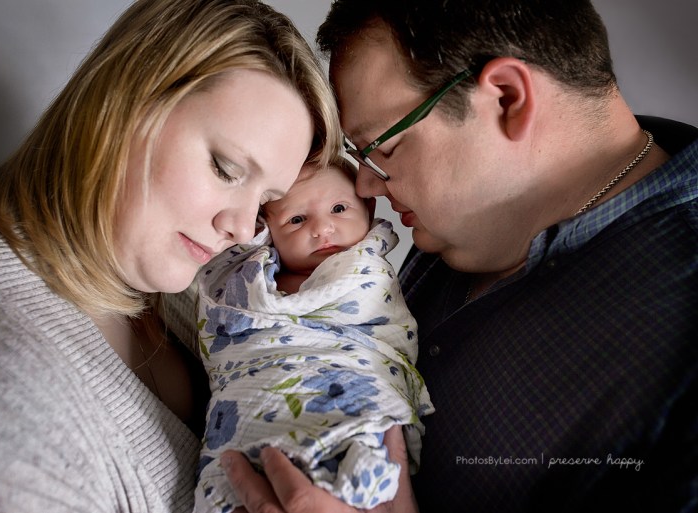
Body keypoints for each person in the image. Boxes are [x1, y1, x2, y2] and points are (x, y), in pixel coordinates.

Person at [221, 1, 698, 512]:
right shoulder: (466, 226)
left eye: (383, 147)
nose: (365, 186)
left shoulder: (680, 346)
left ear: (507, 98)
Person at [0, 0, 344, 511]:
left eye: (264, 202)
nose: (242, 229)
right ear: (123, 103)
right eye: (224, 168)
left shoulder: (149, 259)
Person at [191, 158, 433, 512]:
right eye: (297, 219)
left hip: (351, 379)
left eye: (338, 208)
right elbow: (225, 325)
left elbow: (383, 333)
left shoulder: (366, 269)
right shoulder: (248, 277)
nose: (322, 229)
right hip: (260, 385)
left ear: (368, 208)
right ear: (267, 229)